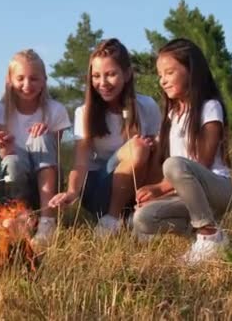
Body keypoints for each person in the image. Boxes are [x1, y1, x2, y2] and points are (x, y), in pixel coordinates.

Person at [132, 38, 232, 264]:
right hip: (190, 195)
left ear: (191, 71)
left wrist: (159, 188)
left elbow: (202, 163)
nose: (163, 81)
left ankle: (208, 236)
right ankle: (216, 235)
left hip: (218, 189)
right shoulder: (172, 115)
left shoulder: (209, 107)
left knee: (173, 164)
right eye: (160, 75)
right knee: (142, 218)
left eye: (169, 72)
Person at [49, 38, 161, 236]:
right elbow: (81, 163)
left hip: (137, 187)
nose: (102, 83)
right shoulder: (84, 112)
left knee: (155, 148)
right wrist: (72, 191)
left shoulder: (147, 106)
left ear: (127, 74)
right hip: (99, 190)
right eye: (96, 76)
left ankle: (142, 214)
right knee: (137, 146)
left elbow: (160, 155)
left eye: (110, 74)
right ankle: (111, 219)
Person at [0, 49, 71, 251]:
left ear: (44, 80)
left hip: (46, 184)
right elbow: (6, 159)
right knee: (13, 161)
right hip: (14, 180)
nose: (27, 85)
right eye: (20, 78)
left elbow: (54, 153)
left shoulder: (55, 110)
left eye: (34, 79)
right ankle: (16, 216)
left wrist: (47, 133)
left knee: (40, 136)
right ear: (9, 80)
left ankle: (47, 221)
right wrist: (3, 147)